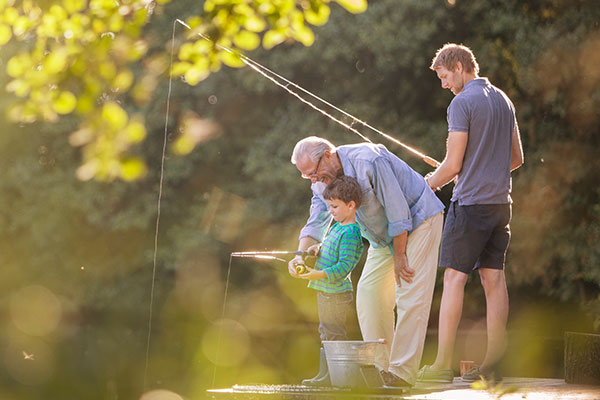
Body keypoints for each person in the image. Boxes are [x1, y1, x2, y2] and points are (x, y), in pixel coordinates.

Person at [289, 136, 444, 387]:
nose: (313, 179)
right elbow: (317, 216)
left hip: (418, 220)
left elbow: (398, 210)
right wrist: (300, 255)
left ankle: (401, 373)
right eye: (307, 176)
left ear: (328, 154)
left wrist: (400, 255)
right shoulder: (321, 181)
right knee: (369, 293)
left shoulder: (369, 160)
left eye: (313, 172)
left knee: (409, 292)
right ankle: (381, 368)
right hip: (382, 236)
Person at [417, 43, 524, 383]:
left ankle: (442, 365)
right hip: (501, 205)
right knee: (494, 280)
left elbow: (451, 165)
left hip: (471, 205)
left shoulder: (462, 103)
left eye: (445, 77)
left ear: (461, 66)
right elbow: (516, 158)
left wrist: (427, 185)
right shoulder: (504, 100)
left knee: (453, 279)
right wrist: (479, 169)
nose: (444, 85)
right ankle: (495, 364)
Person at [290, 176, 364, 386]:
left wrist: (317, 274)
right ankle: (327, 375)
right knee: (326, 331)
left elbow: (343, 267)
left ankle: (335, 377)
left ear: (351, 206)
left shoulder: (351, 232)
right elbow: (330, 250)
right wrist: (317, 249)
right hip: (326, 293)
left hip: (336, 294)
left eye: (334, 206)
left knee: (334, 333)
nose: (330, 211)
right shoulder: (337, 227)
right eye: (329, 206)